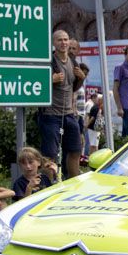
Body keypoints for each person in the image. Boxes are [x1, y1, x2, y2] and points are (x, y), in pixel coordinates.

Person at [39, 29, 85, 178]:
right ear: (54, 43)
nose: (63, 43)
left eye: (65, 39)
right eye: (60, 40)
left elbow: (73, 88)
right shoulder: (48, 62)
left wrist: (81, 79)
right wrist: (49, 81)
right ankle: (48, 184)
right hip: (50, 115)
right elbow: (36, 86)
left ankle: (72, 181)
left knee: (75, 149)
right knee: (49, 154)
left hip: (69, 113)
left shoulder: (73, 62)